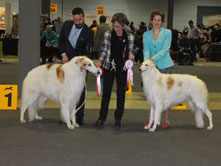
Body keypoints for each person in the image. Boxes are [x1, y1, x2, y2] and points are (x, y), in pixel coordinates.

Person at [94, 13, 134, 128]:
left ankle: (118, 119)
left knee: (121, 94)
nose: (115, 29)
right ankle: (102, 118)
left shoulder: (129, 37)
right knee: (106, 94)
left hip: (122, 67)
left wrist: (131, 56)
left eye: (118, 26)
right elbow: (105, 49)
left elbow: (130, 51)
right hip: (108, 66)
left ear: (123, 25)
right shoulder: (108, 34)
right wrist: (100, 61)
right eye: (114, 26)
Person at [59, 7, 93, 125]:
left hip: (80, 67)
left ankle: (79, 117)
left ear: (83, 17)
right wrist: (63, 54)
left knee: (80, 92)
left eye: (79, 20)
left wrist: (82, 64)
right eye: (75, 20)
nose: (77, 22)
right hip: (66, 63)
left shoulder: (89, 32)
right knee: (65, 90)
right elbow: (61, 41)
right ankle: (65, 117)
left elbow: (88, 52)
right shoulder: (66, 25)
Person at [143, 9, 174, 128]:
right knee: (152, 94)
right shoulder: (146, 34)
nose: (157, 22)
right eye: (155, 20)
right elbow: (146, 49)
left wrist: (152, 60)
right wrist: (147, 62)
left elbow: (165, 49)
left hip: (166, 66)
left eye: (159, 20)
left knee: (166, 94)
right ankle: (152, 119)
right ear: (151, 21)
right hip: (151, 67)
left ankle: (166, 119)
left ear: (162, 21)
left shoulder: (167, 33)